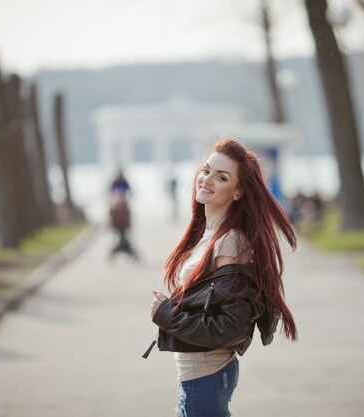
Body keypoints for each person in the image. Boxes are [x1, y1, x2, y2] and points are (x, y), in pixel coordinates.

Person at [146, 138, 297, 416]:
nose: (207, 180)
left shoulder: (230, 243)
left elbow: (231, 328)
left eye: (221, 177)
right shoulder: (208, 235)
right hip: (198, 378)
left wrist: (168, 316)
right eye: (206, 171)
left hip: (205, 378)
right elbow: (211, 301)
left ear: (238, 192)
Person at [109, 169, 136, 258]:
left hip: (124, 206)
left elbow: (130, 192)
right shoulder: (115, 182)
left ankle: (124, 244)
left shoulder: (125, 182)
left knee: (124, 231)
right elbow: (111, 192)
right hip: (116, 206)